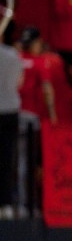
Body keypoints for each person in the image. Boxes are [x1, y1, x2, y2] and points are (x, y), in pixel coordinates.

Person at [0, 25, 24, 220]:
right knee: (8, 159)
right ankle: (6, 204)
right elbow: (19, 82)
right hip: (10, 111)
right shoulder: (13, 55)